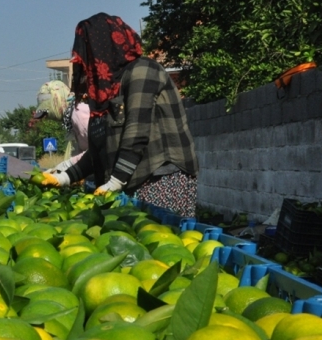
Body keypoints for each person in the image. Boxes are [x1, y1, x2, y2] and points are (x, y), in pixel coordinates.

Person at [40, 13, 198, 217]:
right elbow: (100, 149)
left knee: (160, 239)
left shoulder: (143, 71)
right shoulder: (109, 90)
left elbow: (137, 132)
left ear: (103, 49)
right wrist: (64, 177)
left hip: (160, 176)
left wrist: (116, 181)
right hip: (131, 178)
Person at [30, 80, 89, 172]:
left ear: (58, 102)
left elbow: (97, 149)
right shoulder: (69, 120)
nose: (48, 117)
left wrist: (65, 166)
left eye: (48, 111)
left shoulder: (79, 114)